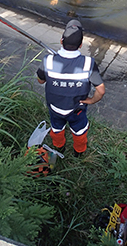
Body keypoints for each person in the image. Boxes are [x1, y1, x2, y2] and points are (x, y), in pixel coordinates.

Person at [37, 19, 105, 157]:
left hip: (55, 107)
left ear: (61, 41)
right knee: (79, 131)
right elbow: (101, 90)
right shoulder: (88, 63)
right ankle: (78, 153)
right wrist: (91, 101)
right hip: (77, 109)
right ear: (80, 45)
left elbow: (40, 80)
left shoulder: (48, 60)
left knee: (56, 128)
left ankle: (59, 147)